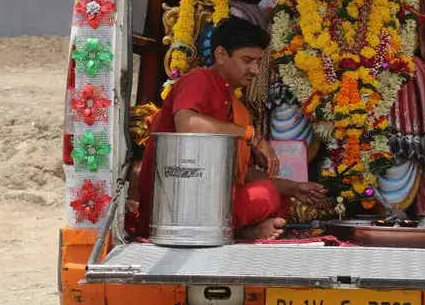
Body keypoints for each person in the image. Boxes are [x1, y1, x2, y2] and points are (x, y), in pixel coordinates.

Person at [136, 17, 328, 240]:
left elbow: (244, 174)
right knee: (266, 195)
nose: (255, 70)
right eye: (247, 60)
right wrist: (251, 135)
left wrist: (295, 188)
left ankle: (244, 231)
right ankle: (245, 232)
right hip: (175, 205)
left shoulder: (238, 108)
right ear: (221, 55)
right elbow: (187, 124)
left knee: (277, 195)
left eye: (258, 61)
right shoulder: (198, 80)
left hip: (212, 201)